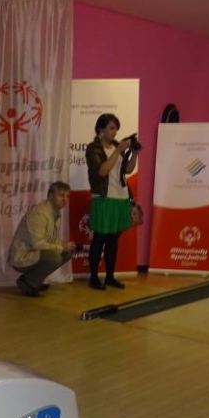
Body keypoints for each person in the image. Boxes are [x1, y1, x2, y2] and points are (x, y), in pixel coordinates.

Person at [84, 113, 138, 290]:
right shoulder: (93, 148)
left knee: (113, 239)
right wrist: (118, 150)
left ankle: (109, 277)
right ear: (101, 129)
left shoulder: (116, 146)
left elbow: (127, 170)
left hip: (121, 197)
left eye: (116, 129)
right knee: (99, 238)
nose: (115, 132)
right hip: (104, 198)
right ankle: (93, 278)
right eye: (112, 128)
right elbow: (102, 171)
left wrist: (134, 154)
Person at [7, 181, 77, 297]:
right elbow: (37, 244)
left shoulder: (54, 212)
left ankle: (34, 280)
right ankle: (27, 282)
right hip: (22, 257)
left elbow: (50, 239)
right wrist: (61, 247)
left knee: (69, 251)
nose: (65, 199)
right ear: (50, 196)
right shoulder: (40, 213)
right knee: (54, 256)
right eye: (61, 195)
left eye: (67, 196)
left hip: (34, 253)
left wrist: (65, 245)